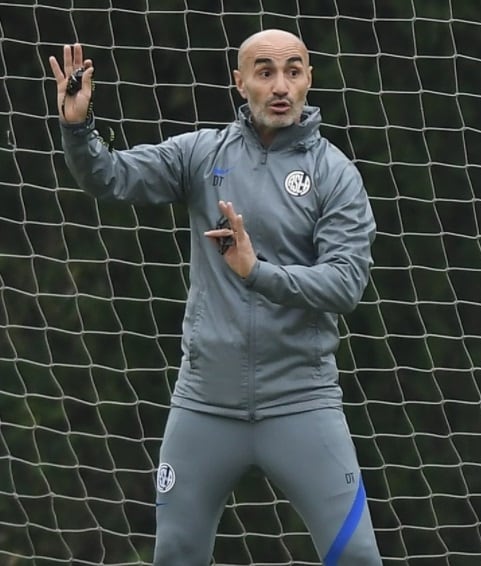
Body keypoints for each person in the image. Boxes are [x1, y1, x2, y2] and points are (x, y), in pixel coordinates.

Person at [48, 29, 383, 565]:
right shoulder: (202, 153)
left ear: (309, 80)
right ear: (239, 82)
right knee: (176, 553)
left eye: (293, 71)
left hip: (301, 402)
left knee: (357, 556)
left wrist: (257, 272)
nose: (280, 85)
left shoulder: (335, 174)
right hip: (204, 404)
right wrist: (77, 127)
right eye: (264, 71)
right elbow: (111, 178)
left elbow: (345, 285)